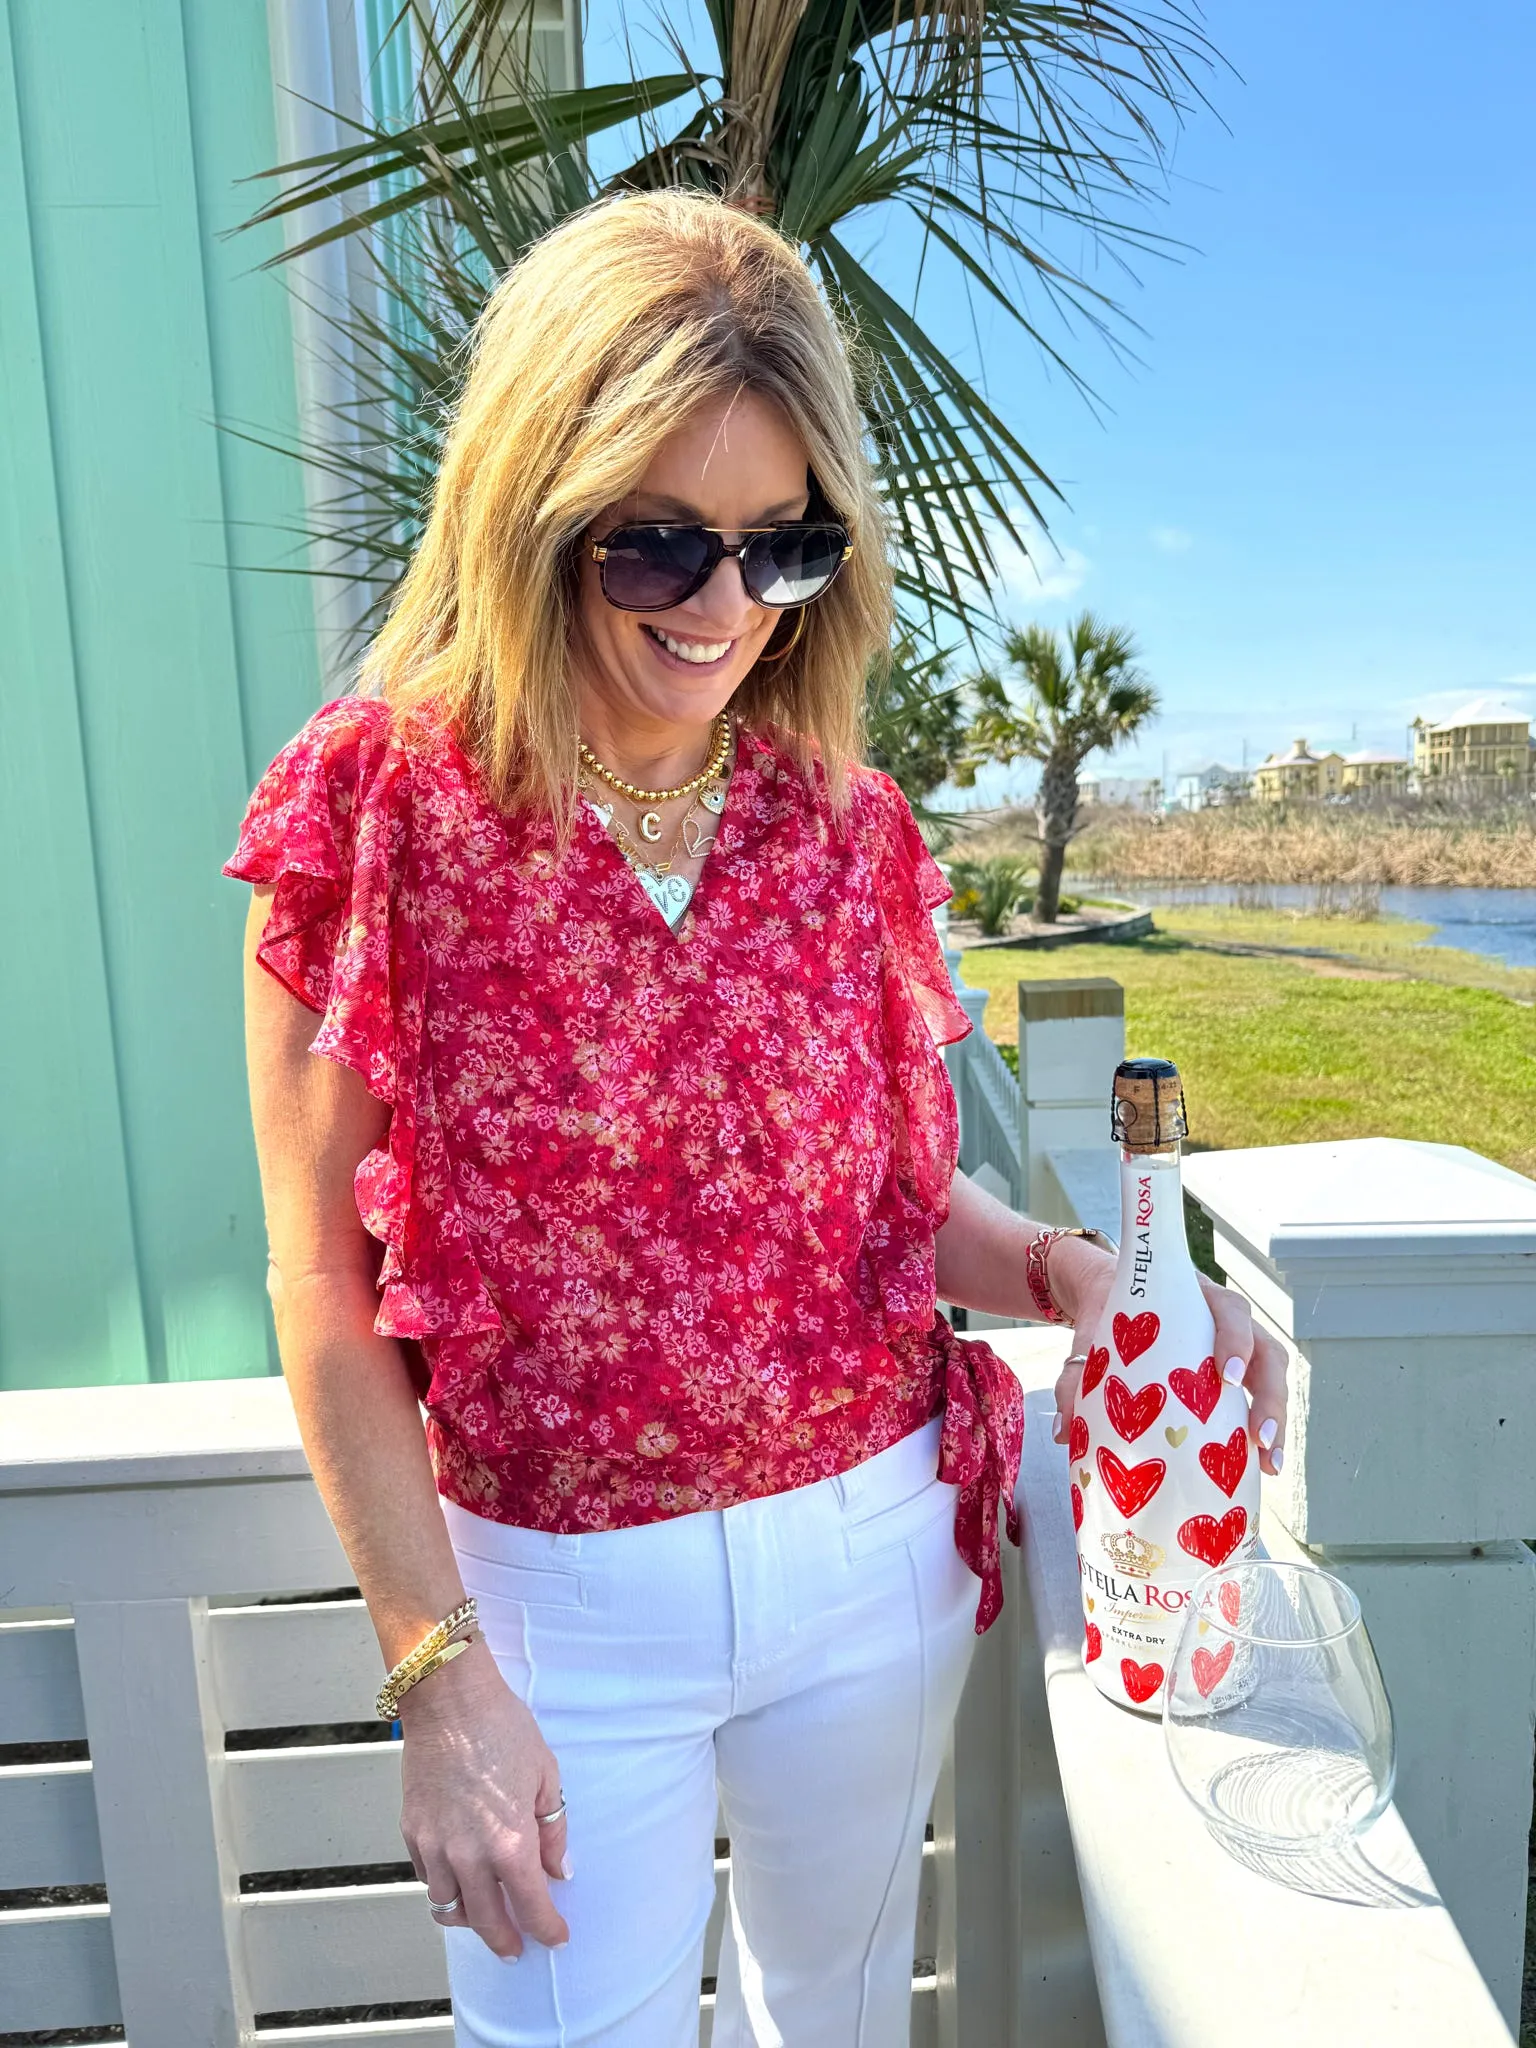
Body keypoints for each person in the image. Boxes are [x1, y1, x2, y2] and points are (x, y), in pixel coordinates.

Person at [229, 190, 1287, 2048]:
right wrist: (433, 1678)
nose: (722, 609)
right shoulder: (377, 812)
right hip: (553, 1611)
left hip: (873, 1558)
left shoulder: (839, 823)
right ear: (533, 514)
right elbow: (319, 1279)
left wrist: (1079, 1278)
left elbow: (894, 1200)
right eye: (657, 549)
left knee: (845, 2023)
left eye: (779, 547)